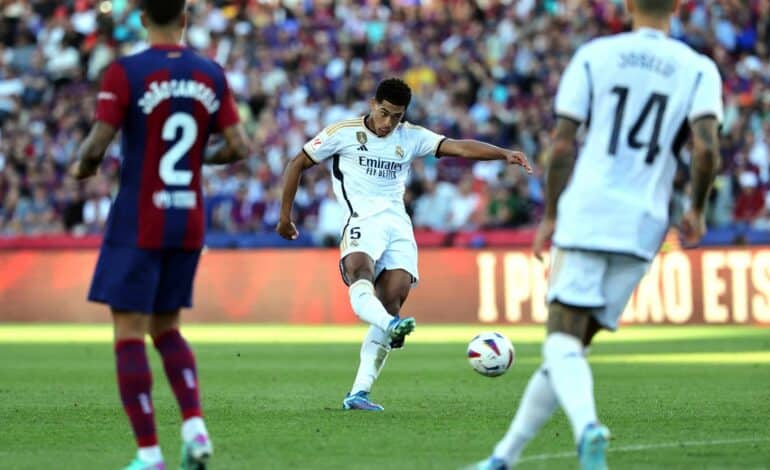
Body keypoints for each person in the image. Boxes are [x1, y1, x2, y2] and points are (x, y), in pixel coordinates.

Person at [470, 0, 723, 468]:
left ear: (627, 5)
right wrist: (697, 208)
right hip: (646, 222)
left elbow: (563, 143)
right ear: (678, 7)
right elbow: (706, 149)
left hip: (591, 210)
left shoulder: (595, 55)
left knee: (560, 340)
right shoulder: (699, 68)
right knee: (570, 349)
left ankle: (588, 428)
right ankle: (503, 458)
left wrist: (550, 215)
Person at [276, 78, 532, 411]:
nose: (388, 123)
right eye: (384, 113)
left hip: (397, 226)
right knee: (359, 273)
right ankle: (391, 327)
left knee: (391, 300)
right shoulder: (343, 132)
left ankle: (359, 393)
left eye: (396, 116)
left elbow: (459, 146)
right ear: (372, 104)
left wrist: (503, 154)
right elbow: (297, 163)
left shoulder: (410, 137)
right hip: (361, 221)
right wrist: (285, 217)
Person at [69, 1, 248, 469]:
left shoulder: (125, 72)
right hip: (188, 216)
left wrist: (83, 167)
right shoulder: (211, 73)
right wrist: (197, 163)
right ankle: (195, 427)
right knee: (167, 328)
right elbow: (240, 146)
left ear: (143, 17)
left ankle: (149, 455)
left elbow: (96, 143)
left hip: (139, 216)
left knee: (129, 332)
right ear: (185, 19)